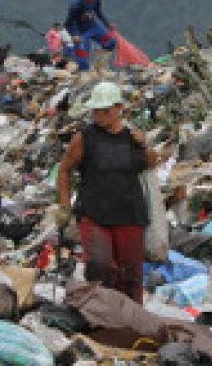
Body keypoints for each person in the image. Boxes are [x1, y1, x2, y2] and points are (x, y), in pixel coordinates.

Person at [55, 82, 160, 302]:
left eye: (105, 110)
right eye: (96, 110)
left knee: (130, 274)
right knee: (99, 265)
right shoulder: (85, 138)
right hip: (95, 214)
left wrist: (143, 144)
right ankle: (100, 316)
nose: (99, 115)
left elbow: (151, 162)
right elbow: (64, 170)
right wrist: (64, 206)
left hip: (130, 214)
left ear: (119, 108)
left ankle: (131, 322)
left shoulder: (131, 137)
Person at [63, 0, 118, 71]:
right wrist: (74, 34)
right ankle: (83, 72)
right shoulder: (76, 5)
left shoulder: (97, 0)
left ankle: (99, 65)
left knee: (110, 42)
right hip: (80, 32)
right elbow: (69, 22)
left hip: (93, 27)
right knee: (83, 56)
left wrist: (108, 24)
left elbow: (98, 13)